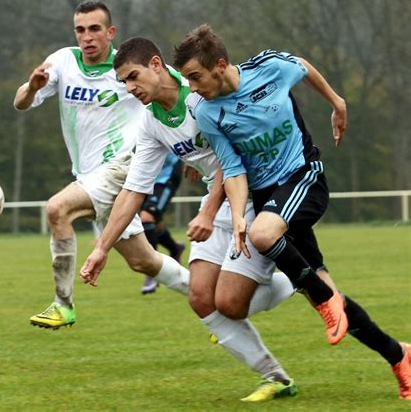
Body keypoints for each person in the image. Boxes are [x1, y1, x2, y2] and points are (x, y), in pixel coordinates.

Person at [172, 24, 411, 400]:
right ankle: (399, 355)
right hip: (270, 198)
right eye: (186, 79)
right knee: (330, 294)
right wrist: (236, 215)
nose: (192, 87)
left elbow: (302, 65)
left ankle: (321, 298)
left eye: (195, 77)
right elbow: (232, 168)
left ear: (220, 64)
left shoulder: (269, 67)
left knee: (263, 235)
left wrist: (337, 102)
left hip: (304, 177)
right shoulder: (206, 112)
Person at [80, 37, 298, 402]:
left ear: (155, 64)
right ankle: (275, 377)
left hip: (251, 196)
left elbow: (236, 158)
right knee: (200, 297)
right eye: (124, 84)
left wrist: (208, 211)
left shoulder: (200, 93)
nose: (131, 88)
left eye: (134, 77)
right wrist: (101, 248)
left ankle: (298, 276)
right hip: (217, 201)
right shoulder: (150, 123)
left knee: (229, 304)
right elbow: (134, 190)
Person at [13, 0, 190, 330]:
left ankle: (62, 304)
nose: (87, 36)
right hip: (89, 176)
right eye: (80, 29)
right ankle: (210, 299)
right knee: (143, 261)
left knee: (57, 209)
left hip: (122, 166)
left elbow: (180, 85)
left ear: (110, 32)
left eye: (95, 29)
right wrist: (32, 88)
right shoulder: (63, 61)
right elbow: (21, 103)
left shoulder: (127, 68)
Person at [140, 153, 185, 294]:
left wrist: (190, 161)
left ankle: (152, 271)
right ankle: (175, 248)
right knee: (155, 222)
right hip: (147, 178)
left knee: (147, 218)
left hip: (167, 176)